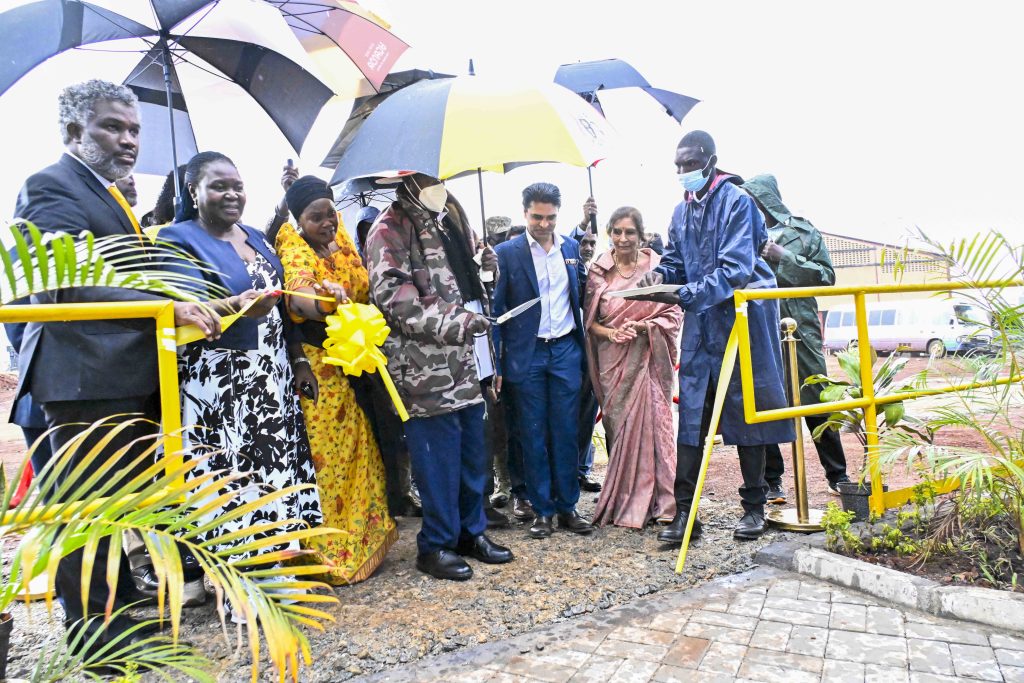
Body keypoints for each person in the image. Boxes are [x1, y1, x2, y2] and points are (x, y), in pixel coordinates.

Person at [12, 79, 220, 650]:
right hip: (83, 380)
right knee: (88, 514)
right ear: (74, 130)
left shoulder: (104, 192)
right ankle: (99, 642)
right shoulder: (50, 186)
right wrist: (165, 305)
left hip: (117, 376)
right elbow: (63, 284)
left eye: (134, 129)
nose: (129, 140)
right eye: (113, 126)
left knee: (116, 508)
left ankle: (122, 613)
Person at [158, 152, 322, 615]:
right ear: (193, 192)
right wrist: (235, 307)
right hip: (221, 385)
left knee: (276, 476)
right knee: (234, 483)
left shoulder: (255, 237)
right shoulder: (175, 239)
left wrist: (297, 360)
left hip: (271, 378)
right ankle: (241, 590)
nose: (232, 194)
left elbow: (283, 304)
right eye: (218, 186)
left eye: (237, 185)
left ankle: (280, 574)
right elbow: (184, 308)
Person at [634, 130, 794, 542]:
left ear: (710, 161)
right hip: (702, 325)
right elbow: (675, 262)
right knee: (692, 417)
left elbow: (736, 267)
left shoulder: (737, 203)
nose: (683, 172)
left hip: (742, 320)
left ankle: (754, 507)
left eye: (690, 164)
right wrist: (659, 276)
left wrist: (685, 293)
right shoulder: (680, 212)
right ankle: (686, 514)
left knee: (747, 414)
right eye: (678, 166)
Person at [366, 172, 514, 581]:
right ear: (409, 180)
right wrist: (461, 321)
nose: (441, 184)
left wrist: (487, 270)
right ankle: (435, 544)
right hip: (423, 369)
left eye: (442, 177)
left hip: (465, 361)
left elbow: (464, 286)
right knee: (438, 461)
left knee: (472, 454)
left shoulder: (448, 218)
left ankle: (471, 533)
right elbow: (398, 303)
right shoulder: (388, 229)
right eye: (432, 178)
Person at [272, 175, 399, 583]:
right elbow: (298, 300)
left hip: (358, 359)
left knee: (365, 449)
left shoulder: (341, 234)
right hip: (320, 362)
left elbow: (364, 285)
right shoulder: (290, 243)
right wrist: (326, 297)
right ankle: (330, 552)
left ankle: (366, 539)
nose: (327, 222)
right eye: (316, 217)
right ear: (297, 219)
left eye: (331, 213)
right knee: (333, 458)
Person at [493, 182, 595, 540]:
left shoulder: (570, 247)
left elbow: (582, 295)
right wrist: (498, 366)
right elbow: (497, 311)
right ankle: (542, 511)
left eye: (550, 217)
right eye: (537, 217)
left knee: (566, 432)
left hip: (566, 349)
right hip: (528, 353)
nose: (544, 224)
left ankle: (568, 506)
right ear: (525, 213)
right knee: (533, 433)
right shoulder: (506, 253)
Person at [741, 174, 850, 498]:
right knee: (766, 399)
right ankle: (772, 480)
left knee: (816, 395)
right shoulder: (742, 235)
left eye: (756, 200)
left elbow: (826, 276)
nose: (753, 207)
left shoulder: (803, 232)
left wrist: (783, 257)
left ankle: (838, 474)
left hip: (800, 325)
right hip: (762, 324)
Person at [585, 207, 682, 528]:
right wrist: (612, 332)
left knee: (658, 427)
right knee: (621, 429)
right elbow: (591, 323)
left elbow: (673, 314)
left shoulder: (657, 268)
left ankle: (664, 502)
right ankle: (626, 501)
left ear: (641, 236)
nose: (623, 238)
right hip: (614, 363)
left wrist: (643, 327)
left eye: (630, 233)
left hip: (650, 359)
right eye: (617, 232)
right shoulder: (598, 271)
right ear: (609, 233)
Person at [573, 199, 601, 493]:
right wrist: (583, 222)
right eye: (583, 241)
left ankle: (582, 470)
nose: (588, 246)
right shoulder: (566, 264)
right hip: (568, 355)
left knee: (587, 419)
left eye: (593, 242)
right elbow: (571, 240)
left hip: (593, 357)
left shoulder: (597, 273)